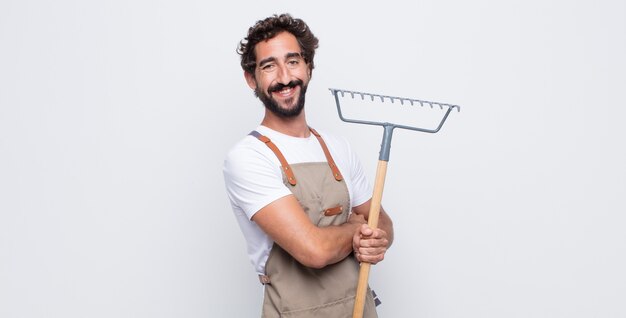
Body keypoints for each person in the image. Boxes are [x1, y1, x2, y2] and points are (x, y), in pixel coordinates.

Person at [223, 13, 394, 318]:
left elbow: (380, 220)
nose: (284, 77)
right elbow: (313, 251)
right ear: (252, 78)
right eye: (268, 66)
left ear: (309, 68)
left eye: (293, 61)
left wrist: (379, 237)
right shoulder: (248, 157)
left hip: (358, 309)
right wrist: (357, 229)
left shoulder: (338, 147)